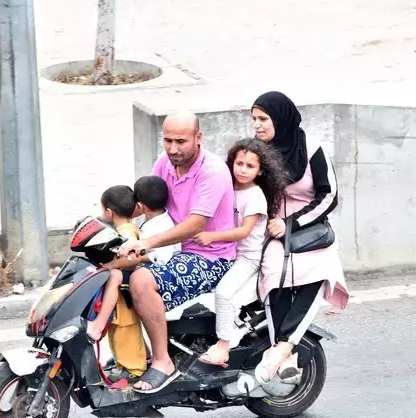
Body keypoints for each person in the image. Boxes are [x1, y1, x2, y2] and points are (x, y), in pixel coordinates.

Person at [118, 110, 236, 393]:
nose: (173, 149)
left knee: (141, 280)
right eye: (167, 141)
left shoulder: (212, 172)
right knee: (114, 272)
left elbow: (195, 224)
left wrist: (147, 243)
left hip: (210, 256)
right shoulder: (164, 164)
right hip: (174, 250)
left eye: (181, 141)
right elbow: (148, 204)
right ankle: (131, 356)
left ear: (198, 138)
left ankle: (162, 362)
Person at [251, 91, 350, 384]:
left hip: (308, 226)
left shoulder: (311, 148)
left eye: (263, 119)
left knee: (319, 272)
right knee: (273, 274)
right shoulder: (256, 152)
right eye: (254, 119)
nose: (257, 125)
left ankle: (279, 350)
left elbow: (329, 195)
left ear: (280, 119)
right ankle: (287, 354)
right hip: (271, 228)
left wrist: (292, 222)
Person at [194, 137, 290, 366]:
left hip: (249, 257)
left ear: (259, 171)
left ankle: (223, 347)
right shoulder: (229, 186)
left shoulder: (255, 195)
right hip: (227, 251)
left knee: (224, 294)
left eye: (250, 166)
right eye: (239, 164)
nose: (243, 170)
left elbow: (245, 231)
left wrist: (210, 237)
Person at [87, 185, 147, 381]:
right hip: (120, 291)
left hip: (125, 291)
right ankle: (124, 365)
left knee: (125, 330)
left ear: (109, 211)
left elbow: (132, 258)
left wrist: (109, 266)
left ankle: (134, 370)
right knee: (117, 329)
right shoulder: (123, 229)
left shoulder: (126, 232)